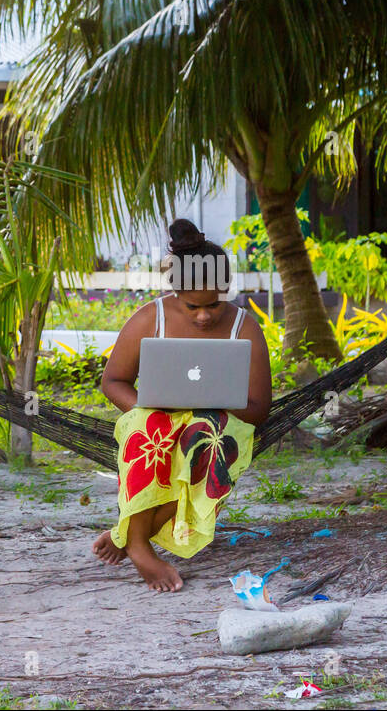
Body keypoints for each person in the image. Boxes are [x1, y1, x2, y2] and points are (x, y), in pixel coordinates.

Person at [93, 219, 272, 592]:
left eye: (214, 305)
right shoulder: (149, 319)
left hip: (223, 422)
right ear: (176, 293)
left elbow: (259, 410)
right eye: (193, 306)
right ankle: (140, 546)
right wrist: (150, 409)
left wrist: (211, 403)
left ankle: (129, 534)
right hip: (155, 418)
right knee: (151, 430)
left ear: (226, 290)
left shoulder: (245, 328)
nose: (204, 316)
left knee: (205, 436)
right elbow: (112, 382)